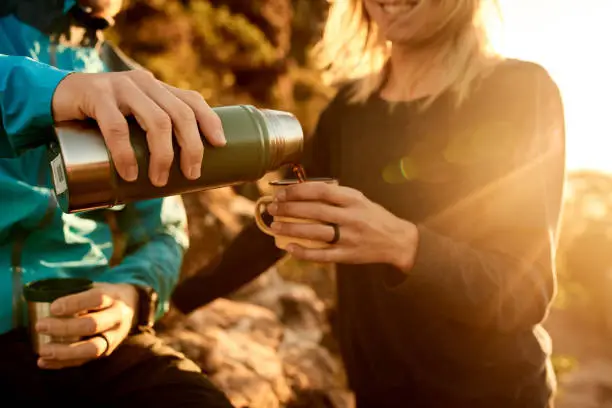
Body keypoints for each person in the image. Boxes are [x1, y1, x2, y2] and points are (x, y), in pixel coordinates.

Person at [172, 0, 566, 407]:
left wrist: (404, 244)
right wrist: (169, 301)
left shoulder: (520, 91)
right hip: (378, 394)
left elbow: (525, 292)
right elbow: (275, 226)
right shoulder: (347, 112)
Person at [0, 1, 233, 406]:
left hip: (87, 337)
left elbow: (164, 231)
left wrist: (131, 294)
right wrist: (59, 91)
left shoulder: (125, 77)